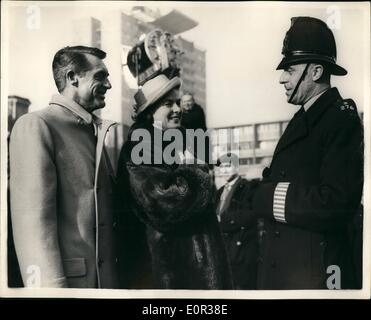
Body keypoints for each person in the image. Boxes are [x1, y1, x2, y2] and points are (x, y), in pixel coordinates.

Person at [250, 17, 363, 289]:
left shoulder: (340, 119)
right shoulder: (307, 117)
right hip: (290, 271)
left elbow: (336, 202)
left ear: (315, 72)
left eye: (290, 69)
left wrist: (264, 195)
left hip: (315, 277)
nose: (282, 79)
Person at [9, 46, 120, 288]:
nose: (109, 85)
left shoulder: (95, 130)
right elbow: (34, 233)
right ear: (72, 78)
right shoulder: (36, 125)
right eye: (100, 76)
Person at [116, 74, 232, 289]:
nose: (178, 109)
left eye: (178, 102)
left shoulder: (171, 142)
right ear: (149, 113)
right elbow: (163, 201)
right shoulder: (139, 146)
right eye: (168, 103)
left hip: (187, 266)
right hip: (171, 270)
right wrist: (197, 171)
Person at [216, 153, 258, 289]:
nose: (223, 170)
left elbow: (250, 215)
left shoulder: (248, 188)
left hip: (240, 253)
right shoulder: (219, 191)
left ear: (236, 167)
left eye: (227, 166)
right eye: (221, 167)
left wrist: (221, 219)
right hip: (222, 252)